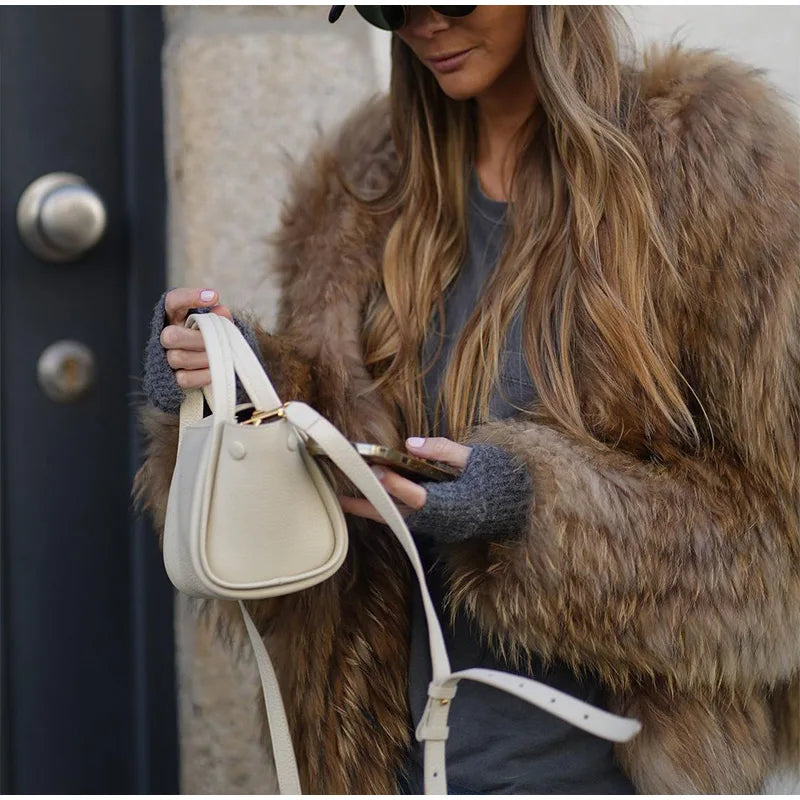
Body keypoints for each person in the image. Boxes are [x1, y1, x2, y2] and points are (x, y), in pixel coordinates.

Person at [134, 5, 800, 794]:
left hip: (608, 766)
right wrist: (227, 388)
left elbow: (780, 552)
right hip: (385, 765)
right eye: (388, 5)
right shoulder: (361, 188)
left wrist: (530, 507)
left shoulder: (713, 169)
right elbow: (321, 480)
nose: (423, 25)